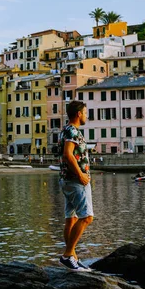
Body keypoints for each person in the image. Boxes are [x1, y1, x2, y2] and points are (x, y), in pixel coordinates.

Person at [57, 100, 92, 271]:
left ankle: (73, 258)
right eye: (85, 112)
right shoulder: (72, 131)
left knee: (71, 218)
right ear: (78, 114)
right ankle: (67, 255)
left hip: (67, 180)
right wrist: (81, 175)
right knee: (87, 217)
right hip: (76, 181)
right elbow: (68, 154)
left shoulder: (65, 130)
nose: (86, 115)